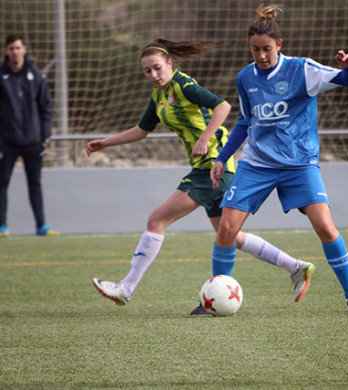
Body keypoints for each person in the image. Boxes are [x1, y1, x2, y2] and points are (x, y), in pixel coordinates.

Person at [87, 38, 315, 313]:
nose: (153, 75)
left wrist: (205, 139)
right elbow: (142, 129)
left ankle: (126, 288)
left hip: (211, 167)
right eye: (147, 71)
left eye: (157, 68)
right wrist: (105, 142)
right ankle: (296, 267)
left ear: (170, 64)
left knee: (157, 219)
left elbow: (223, 107)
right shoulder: (159, 95)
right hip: (208, 168)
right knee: (229, 235)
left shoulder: (183, 85)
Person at [208, 5, 348, 313]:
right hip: (257, 164)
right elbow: (246, 122)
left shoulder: (301, 69)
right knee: (226, 228)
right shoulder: (245, 78)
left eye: (266, 49)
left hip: (299, 163)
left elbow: (346, 80)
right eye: (254, 49)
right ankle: (216, 293)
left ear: (279, 45)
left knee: (326, 228)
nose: (260, 55)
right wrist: (222, 158)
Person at [0, 34, 59, 237]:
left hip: (33, 141)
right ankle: (2, 227)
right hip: (6, 141)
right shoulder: (1, 76)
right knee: (2, 182)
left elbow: (46, 107)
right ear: (6, 51)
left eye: (17, 48)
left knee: (35, 183)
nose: (14, 52)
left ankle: (41, 226)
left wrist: (45, 135)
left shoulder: (36, 75)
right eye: (11, 48)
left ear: (24, 49)